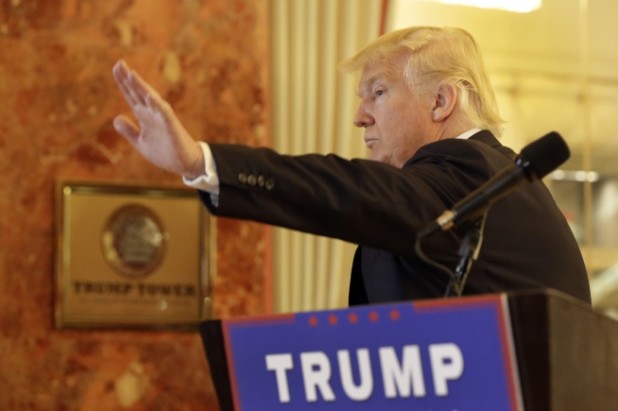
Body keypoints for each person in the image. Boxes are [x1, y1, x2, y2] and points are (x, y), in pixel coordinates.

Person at [112, 26, 591, 305]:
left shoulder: (468, 171)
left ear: (442, 101)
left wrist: (202, 161)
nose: (359, 116)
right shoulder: (480, 181)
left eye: (378, 93)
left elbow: (347, 188)